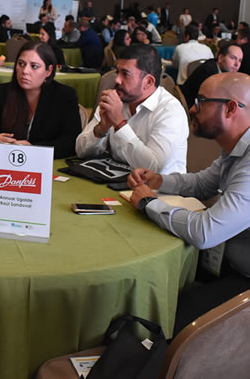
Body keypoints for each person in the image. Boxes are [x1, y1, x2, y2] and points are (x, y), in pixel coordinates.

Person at [127, 72, 250, 333]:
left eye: (201, 100)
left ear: (230, 108)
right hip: (228, 260)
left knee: (167, 312)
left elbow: (206, 232)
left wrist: (148, 203)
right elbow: (204, 183)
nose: (192, 108)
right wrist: (159, 180)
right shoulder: (238, 146)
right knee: (157, 285)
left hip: (243, 279)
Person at [76, 45, 189, 174]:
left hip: (161, 190)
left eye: (125, 74)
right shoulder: (118, 99)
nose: (117, 79)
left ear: (148, 82)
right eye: (117, 72)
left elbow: (153, 169)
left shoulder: (170, 111)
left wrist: (119, 123)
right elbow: (80, 151)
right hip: (117, 181)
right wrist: (101, 128)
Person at [0, 41, 81, 159]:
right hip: (6, 164)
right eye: (21, 64)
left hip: (46, 166)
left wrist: (33, 148)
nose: (25, 71)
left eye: (34, 66)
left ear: (48, 71)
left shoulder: (64, 96)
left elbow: (70, 143)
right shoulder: (2, 92)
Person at [181, 43, 243, 108]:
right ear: (220, 58)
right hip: (190, 108)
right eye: (233, 58)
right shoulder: (208, 71)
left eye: (240, 60)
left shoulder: (222, 70)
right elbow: (213, 103)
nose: (237, 64)